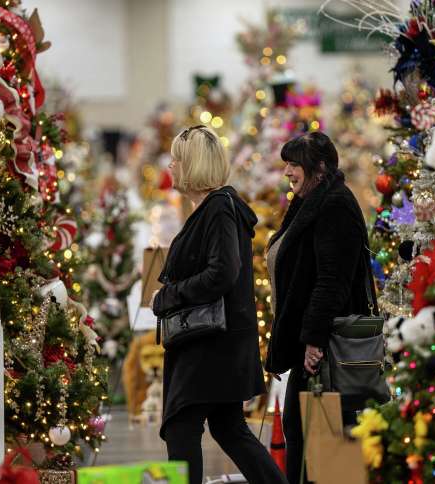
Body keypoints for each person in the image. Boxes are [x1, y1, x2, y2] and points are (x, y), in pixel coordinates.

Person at [151, 125, 287, 484]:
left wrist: (167, 296)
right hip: (218, 342)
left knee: (182, 427)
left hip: (208, 345)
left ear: (192, 164)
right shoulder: (217, 207)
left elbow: (222, 273)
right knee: (229, 428)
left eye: (176, 160)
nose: (171, 166)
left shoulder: (219, 210)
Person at [265, 131, 373, 484]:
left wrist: (313, 338)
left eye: (294, 165)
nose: (288, 173)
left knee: (330, 443)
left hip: (329, 350)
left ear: (320, 168)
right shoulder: (313, 199)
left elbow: (332, 280)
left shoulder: (335, 204)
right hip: (314, 349)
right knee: (307, 436)